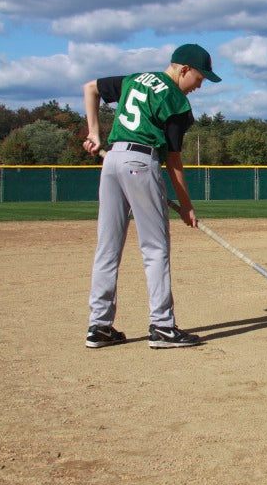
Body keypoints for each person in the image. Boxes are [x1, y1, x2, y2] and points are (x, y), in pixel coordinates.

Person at [82, 43, 221, 349]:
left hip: (113, 161)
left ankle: (100, 326)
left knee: (107, 247)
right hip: (141, 163)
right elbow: (173, 160)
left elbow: (90, 87)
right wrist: (186, 207)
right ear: (184, 69)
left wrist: (94, 133)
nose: (199, 86)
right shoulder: (176, 101)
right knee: (155, 249)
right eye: (199, 78)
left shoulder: (135, 79)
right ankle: (162, 326)